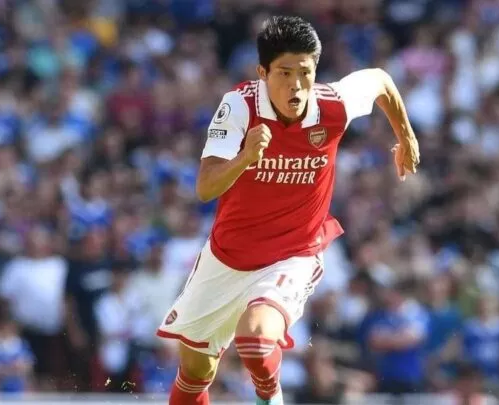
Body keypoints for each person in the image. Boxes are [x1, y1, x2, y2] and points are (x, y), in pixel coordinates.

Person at [157, 15, 420, 405]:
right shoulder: (239, 106)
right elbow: (205, 187)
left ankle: (271, 396)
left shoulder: (331, 106)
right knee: (196, 372)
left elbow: (379, 80)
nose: (296, 84)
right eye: (284, 72)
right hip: (226, 257)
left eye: (305, 72)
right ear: (263, 72)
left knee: (255, 339)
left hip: (293, 254)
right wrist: (245, 157)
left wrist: (406, 136)